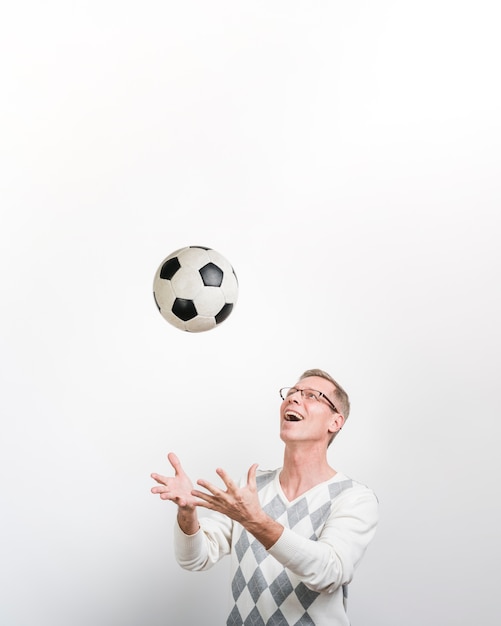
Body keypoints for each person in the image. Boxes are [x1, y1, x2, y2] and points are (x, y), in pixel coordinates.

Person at [151, 368, 378, 626]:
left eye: (312, 395)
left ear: (335, 422)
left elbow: (329, 572)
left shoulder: (354, 498)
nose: (293, 398)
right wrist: (187, 513)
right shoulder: (250, 489)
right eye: (291, 392)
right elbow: (194, 558)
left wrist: (256, 521)